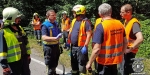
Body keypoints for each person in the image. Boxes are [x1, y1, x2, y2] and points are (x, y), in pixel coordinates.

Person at [86, 3, 127, 75]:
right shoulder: (119, 24)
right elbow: (125, 42)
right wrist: (121, 54)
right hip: (116, 61)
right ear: (110, 12)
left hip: (104, 62)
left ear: (100, 14)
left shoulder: (101, 26)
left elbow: (96, 49)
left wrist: (89, 63)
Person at [0, 7, 31, 75]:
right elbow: (2, 51)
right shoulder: (3, 32)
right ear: (11, 19)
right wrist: (4, 65)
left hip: (24, 60)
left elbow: (26, 42)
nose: (19, 19)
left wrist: (28, 55)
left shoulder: (20, 28)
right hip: (12, 63)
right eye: (17, 18)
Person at [67, 5, 92, 75]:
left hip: (81, 47)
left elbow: (89, 34)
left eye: (74, 12)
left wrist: (85, 46)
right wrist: (68, 42)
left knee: (81, 64)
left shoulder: (86, 22)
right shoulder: (74, 21)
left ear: (79, 12)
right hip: (73, 46)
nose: (73, 14)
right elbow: (72, 31)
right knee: (74, 63)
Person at [120, 4, 144, 75]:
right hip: (125, 50)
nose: (120, 14)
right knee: (123, 69)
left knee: (126, 71)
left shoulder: (134, 23)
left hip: (129, 52)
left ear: (128, 12)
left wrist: (130, 49)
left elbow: (140, 38)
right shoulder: (126, 21)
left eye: (122, 12)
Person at [41, 9, 62, 75]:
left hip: (56, 46)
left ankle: (54, 73)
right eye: (53, 15)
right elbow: (43, 37)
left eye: (55, 15)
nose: (55, 16)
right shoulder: (45, 25)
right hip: (48, 47)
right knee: (50, 64)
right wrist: (55, 38)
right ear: (47, 16)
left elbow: (58, 33)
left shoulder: (56, 23)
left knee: (55, 62)